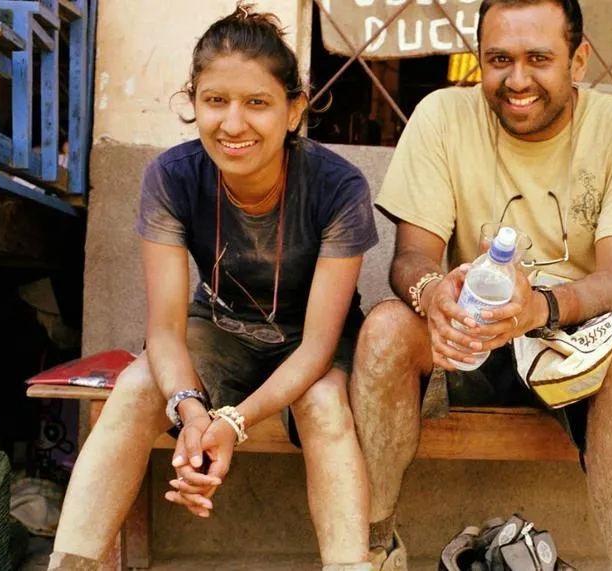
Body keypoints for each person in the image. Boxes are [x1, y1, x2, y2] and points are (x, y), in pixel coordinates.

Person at [351, 0, 612, 569]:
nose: (517, 80)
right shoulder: (442, 116)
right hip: (467, 341)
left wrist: (543, 309)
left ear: (578, 60)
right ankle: (377, 543)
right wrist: (435, 294)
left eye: (539, 58)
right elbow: (410, 257)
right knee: (384, 328)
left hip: (573, 346)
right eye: (499, 59)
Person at [48, 5, 378, 570]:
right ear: (193, 101)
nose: (232, 124)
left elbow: (320, 345)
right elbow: (166, 329)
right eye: (215, 101)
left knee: (324, 405)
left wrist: (234, 421)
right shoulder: (172, 178)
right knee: (137, 385)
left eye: (257, 103)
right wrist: (193, 413)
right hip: (219, 328)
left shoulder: (337, 187)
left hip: (311, 343)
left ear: (294, 110)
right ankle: (69, 564)